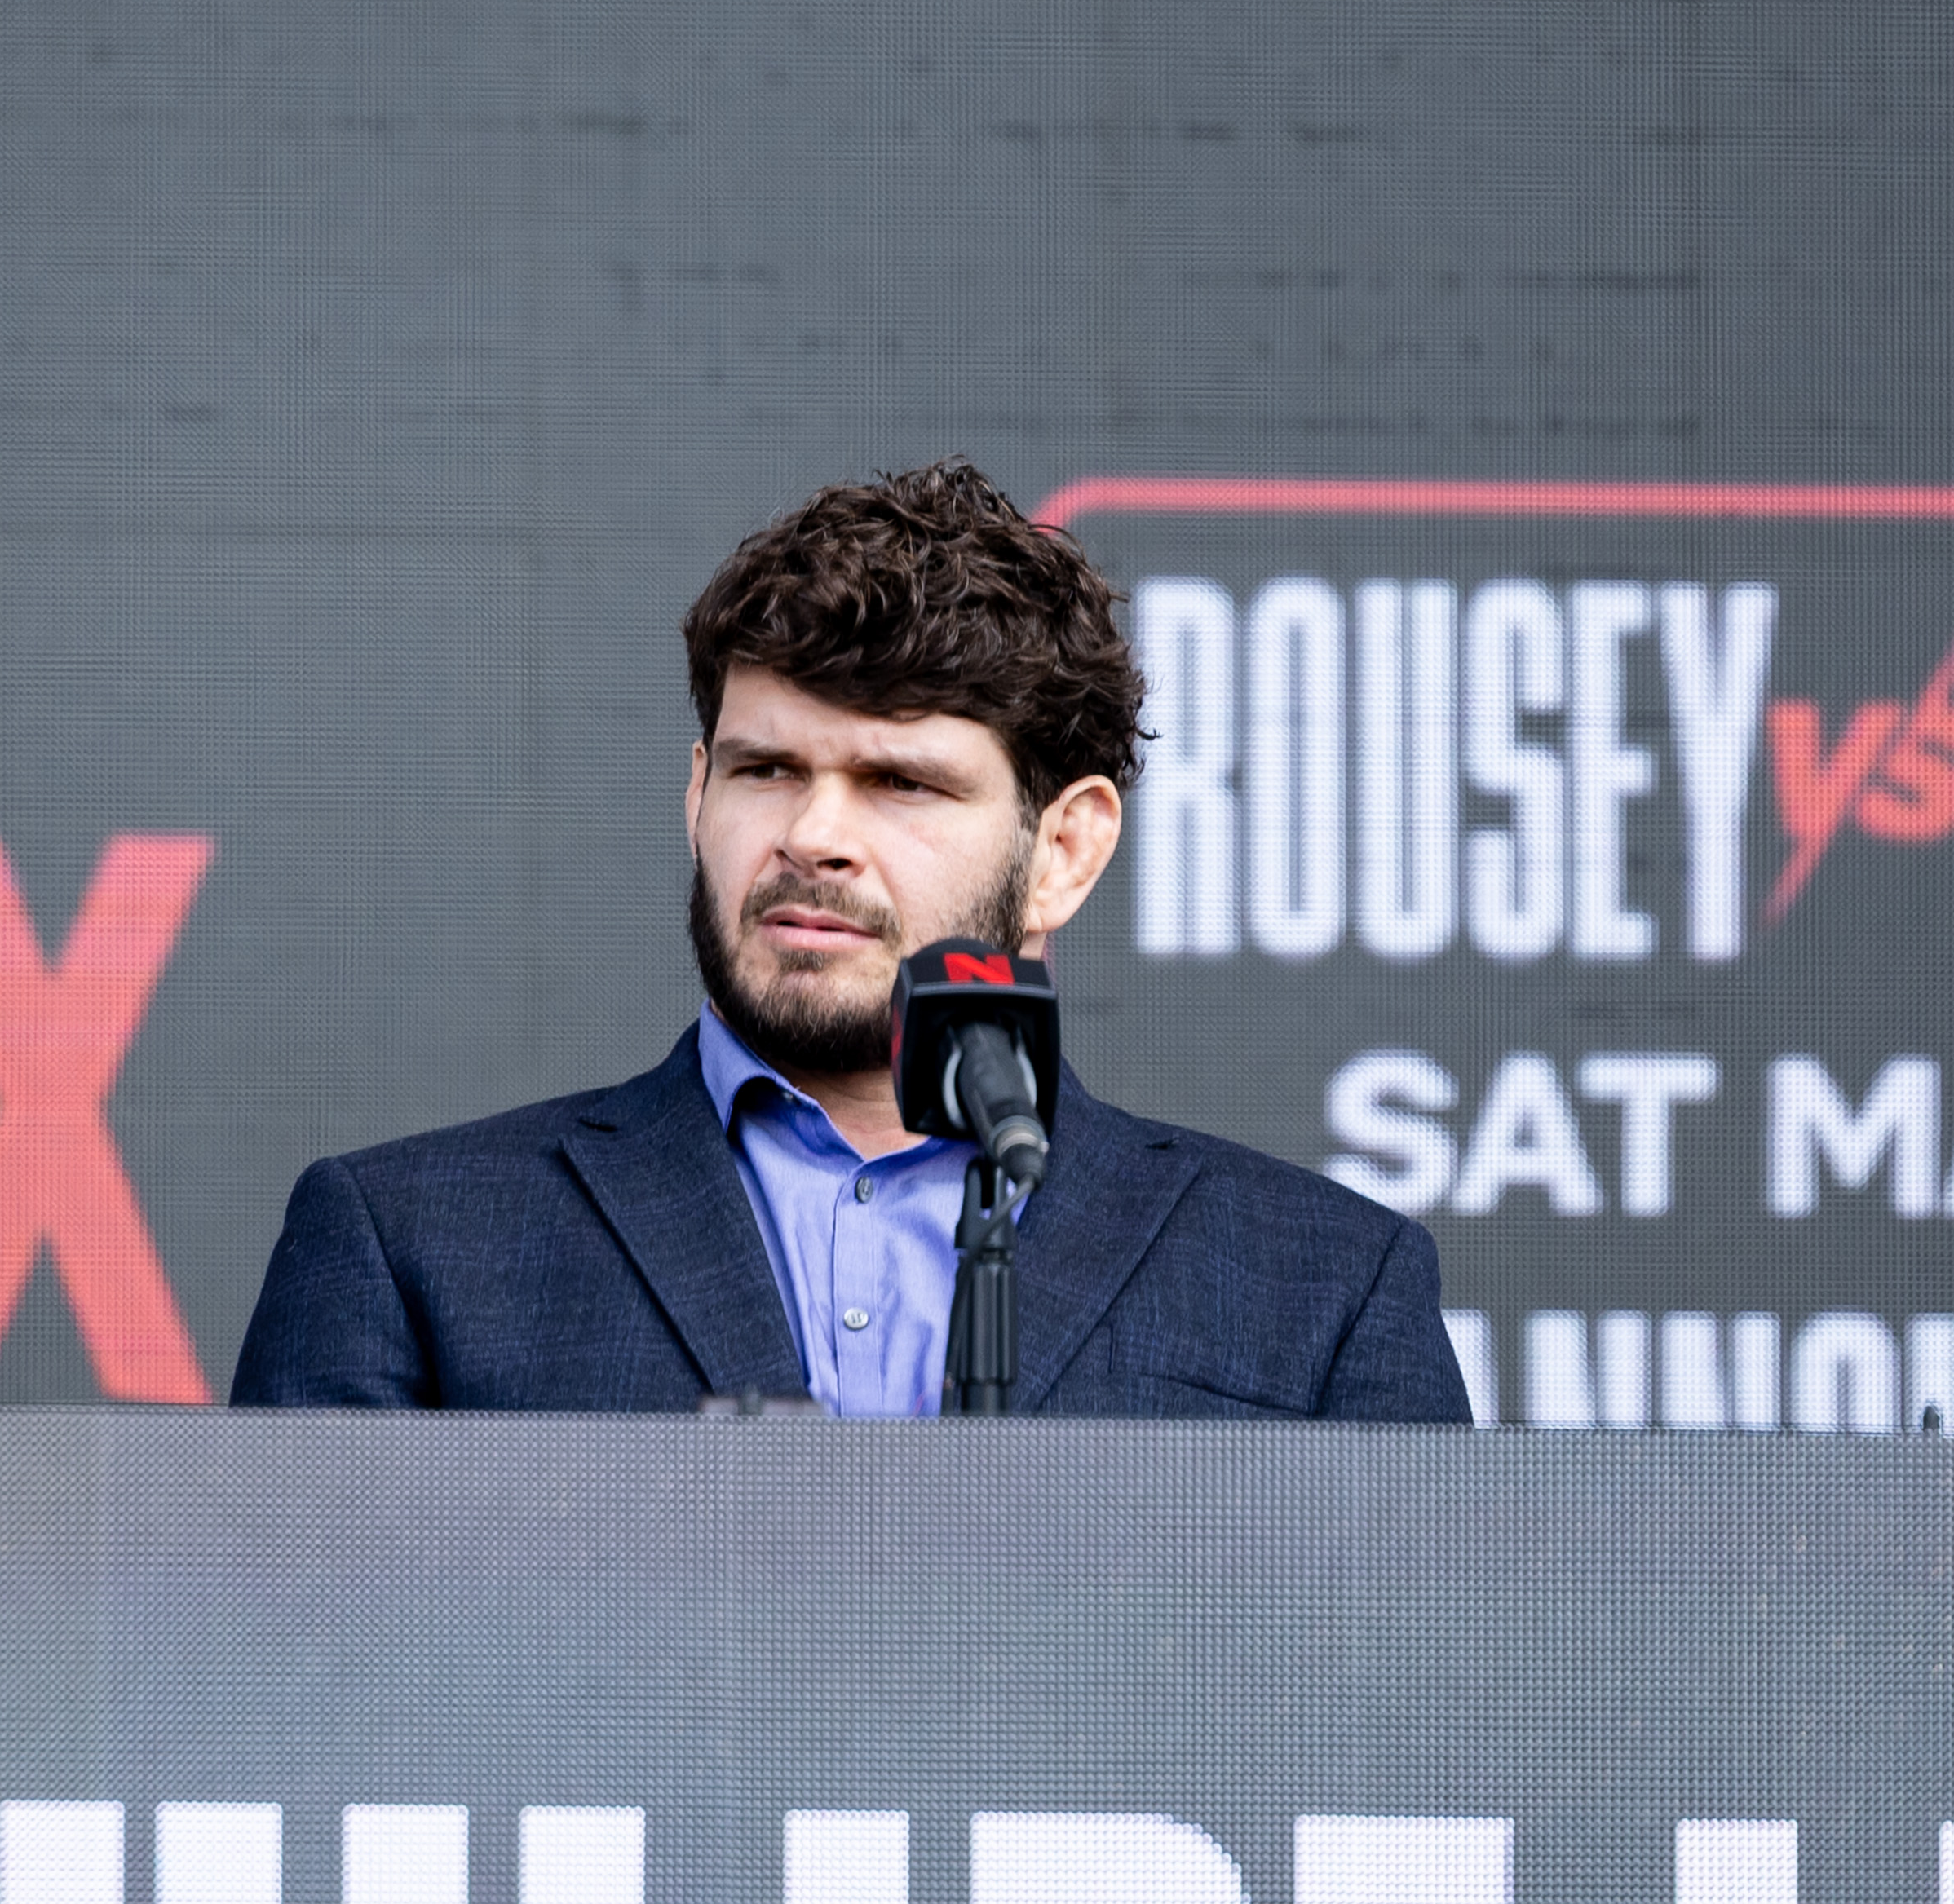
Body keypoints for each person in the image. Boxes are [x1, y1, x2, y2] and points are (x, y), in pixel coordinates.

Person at [229, 462, 1473, 1417]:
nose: (813, 836)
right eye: (767, 770)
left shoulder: (1324, 1287)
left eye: (900, 783)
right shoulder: (411, 1247)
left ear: (1065, 850)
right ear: (697, 795)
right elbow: (293, 1671)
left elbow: (1413, 1678)